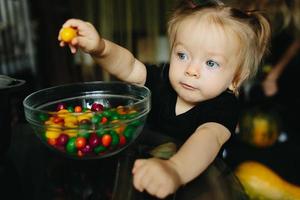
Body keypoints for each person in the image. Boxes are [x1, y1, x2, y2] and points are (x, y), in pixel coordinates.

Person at [58, 0, 271, 198]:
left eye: (211, 63)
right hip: (144, 171)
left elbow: (208, 138)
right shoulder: (162, 81)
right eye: (182, 55)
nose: (191, 70)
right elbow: (129, 66)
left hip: (196, 186)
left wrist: (176, 170)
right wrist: (100, 48)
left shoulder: (223, 106)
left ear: (235, 79)